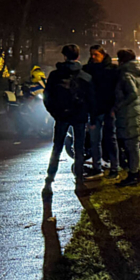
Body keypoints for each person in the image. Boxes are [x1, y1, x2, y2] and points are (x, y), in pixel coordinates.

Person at [44, 44, 96, 191]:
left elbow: (47, 97)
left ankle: (50, 177)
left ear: (64, 56)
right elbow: (92, 99)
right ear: (78, 57)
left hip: (61, 115)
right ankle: (79, 179)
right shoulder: (85, 77)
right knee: (79, 148)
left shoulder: (55, 75)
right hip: (79, 116)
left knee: (57, 147)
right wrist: (91, 118)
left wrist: (54, 113)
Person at [114, 48, 140, 188]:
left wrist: (118, 106)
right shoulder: (139, 73)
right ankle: (135, 174)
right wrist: (138, 103)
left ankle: (133, 175)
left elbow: (133, 93)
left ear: (122, 60)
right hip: (138, 111)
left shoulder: (125, 74)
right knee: (132, 144)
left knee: (131, 146)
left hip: (128, 114)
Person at [83, 45, 119, 179]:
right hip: (94, 110)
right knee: (94, 140)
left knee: (110, 139)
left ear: (103, 55)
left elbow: (117, 91)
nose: (93, 57)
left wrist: (114, 108)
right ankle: (97, 167)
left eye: (96, 54)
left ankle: (114, 168)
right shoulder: (88, 69)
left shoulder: (112, 70)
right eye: (91, 54)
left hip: (108, 110)